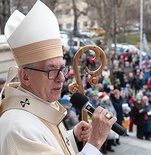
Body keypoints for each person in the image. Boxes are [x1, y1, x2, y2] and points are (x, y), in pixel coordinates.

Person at [0, 1, 116, 155]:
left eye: (62, 68)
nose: (61, 78)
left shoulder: (41, 103)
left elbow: (46, 142)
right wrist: (95, 142)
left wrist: (72, 137)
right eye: (51, 70)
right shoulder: (18, 129)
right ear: (25, 76)